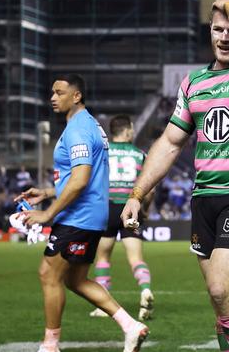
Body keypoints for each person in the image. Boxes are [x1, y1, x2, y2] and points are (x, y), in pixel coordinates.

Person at [121, 0, 229, 351]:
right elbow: (169, 143)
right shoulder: (193, 83)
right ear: (208, 33)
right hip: (204, 200)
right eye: (217, 29)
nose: (225, 37)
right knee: (222, 303)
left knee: (220, 289)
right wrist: (137, 194)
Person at [15, 74, 149, 352]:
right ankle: (130, 326)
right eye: (52, 92)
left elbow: (80, 179)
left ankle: (49, 346)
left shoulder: (78, 128)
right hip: (90, 214)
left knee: (48, 275)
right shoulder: (89, 125)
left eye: (60, 92)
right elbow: (79, 177)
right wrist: (47, 192)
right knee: (75, 280)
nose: (53, 97)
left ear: (76, 96)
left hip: (79, 217)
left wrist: (46, 213)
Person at [89, 114, 155, 321]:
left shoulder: (102, 154)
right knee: (136, 258)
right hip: (130, 208)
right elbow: (150, 190)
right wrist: (145, 209)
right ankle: (145, 290)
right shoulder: (140, 154)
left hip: (107, 208)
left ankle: (102, 305)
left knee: (102, 257)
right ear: (127, 131)